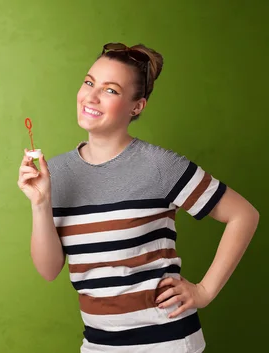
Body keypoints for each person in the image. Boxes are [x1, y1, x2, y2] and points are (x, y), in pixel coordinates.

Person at [17, 42, 259, 353]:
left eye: (111, 90)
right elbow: (49, 270)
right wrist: (39, 204)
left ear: (137, 106)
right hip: (98, 344)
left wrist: (204, 291)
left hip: (167, 342)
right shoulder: (57, 172)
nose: (90, 96)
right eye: (89, 82)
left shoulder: (160, 166)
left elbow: (244, 215)